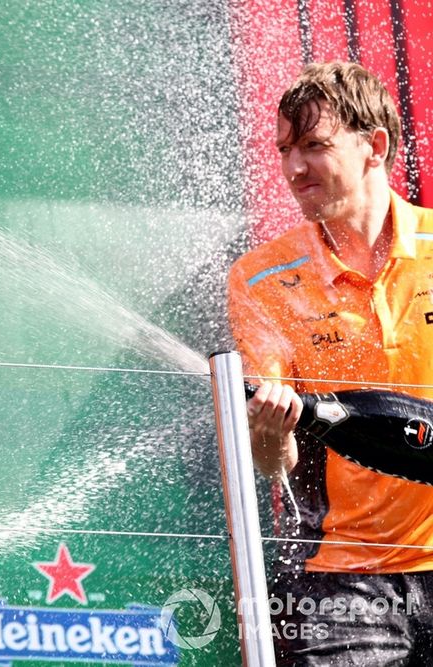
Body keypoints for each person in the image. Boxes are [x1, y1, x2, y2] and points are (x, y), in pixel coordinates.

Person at [228, 61, 433, 664]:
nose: (293, 169)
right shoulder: (261, 280)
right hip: (342, 581)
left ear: (376, 147)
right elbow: (272, 465)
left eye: (314, 146)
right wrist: (270, 434)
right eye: (285, 149)